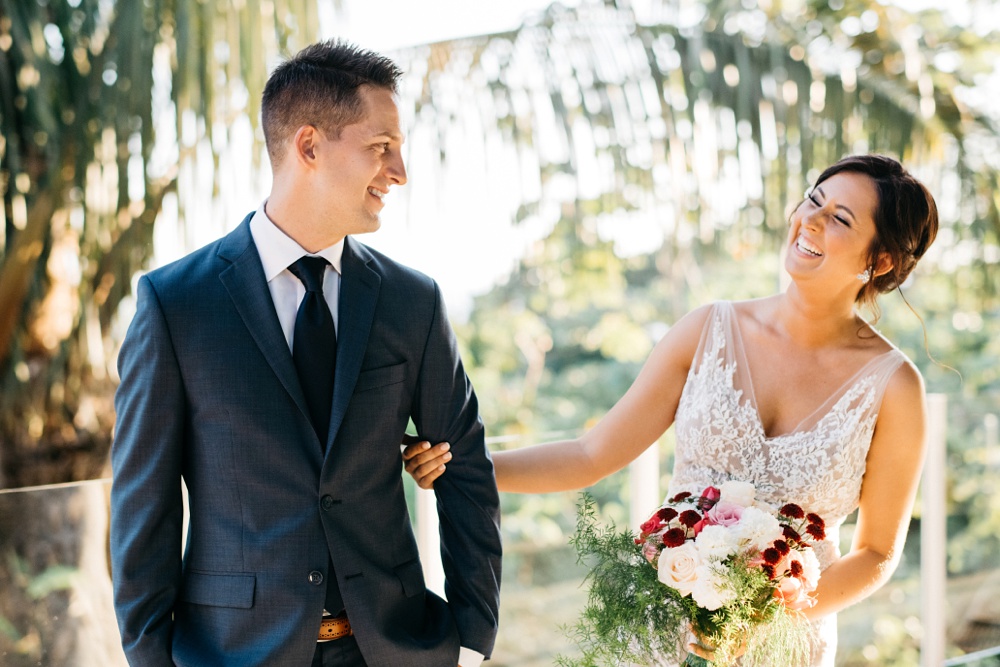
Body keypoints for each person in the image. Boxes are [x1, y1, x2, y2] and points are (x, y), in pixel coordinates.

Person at [403, 154, 939, 666]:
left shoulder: (894, 387)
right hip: (658, 631)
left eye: (839, 218)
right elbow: (592, 454)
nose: (810, 221)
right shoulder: (707, 330)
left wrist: (765, 616)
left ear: (880, 260)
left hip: (786, 644)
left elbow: (876, 553)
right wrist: (464, 468)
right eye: (812, 201)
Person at [110, 40, 501, 667]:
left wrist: (472, 642)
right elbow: (143, 511)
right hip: (233, 653)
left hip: (396, 649)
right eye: (380, 147)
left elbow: (468, 472)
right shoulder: (175, 305)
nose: (399, 170)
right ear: (310, 146)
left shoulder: (412, 301)